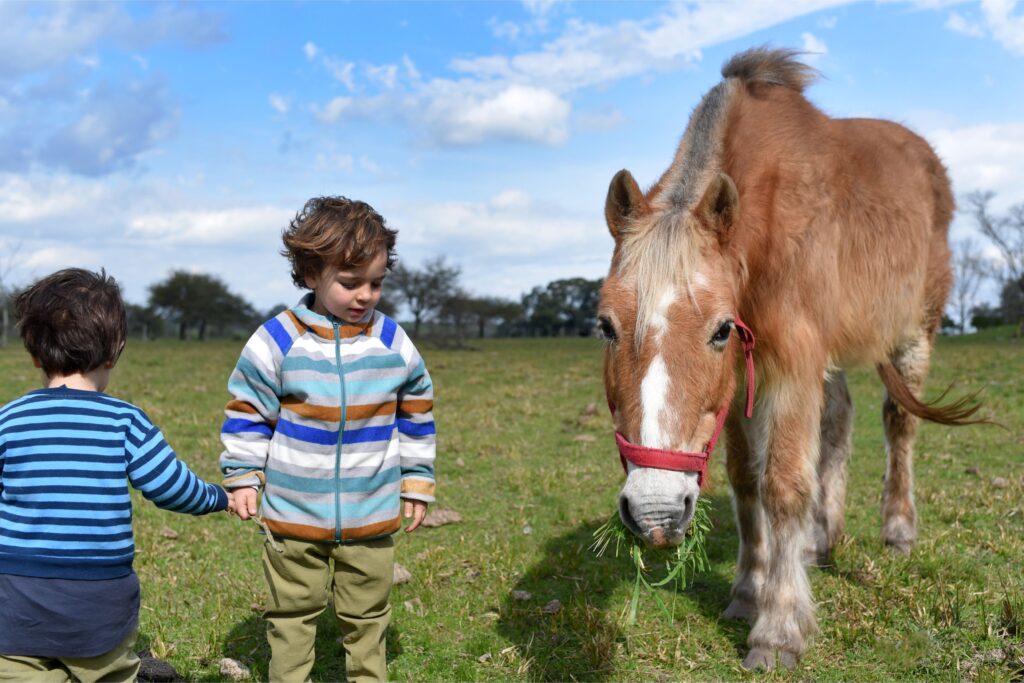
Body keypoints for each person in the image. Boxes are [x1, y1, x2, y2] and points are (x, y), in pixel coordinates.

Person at [220, 196, 436, 682]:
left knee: (368, 616)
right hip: (292, 516)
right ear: (311, 274)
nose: (366, 295)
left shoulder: (392, 342)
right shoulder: (276, 340)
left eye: (376, 283)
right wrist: (243, 477)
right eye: (350, 282)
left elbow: (417, 413)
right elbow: (249, 412)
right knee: (291, 616)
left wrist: (417, 480)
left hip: (371, 516)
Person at [0, 268, 231, 682]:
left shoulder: (9, 419)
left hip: (15, 602)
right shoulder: (124, 421)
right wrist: (220, 497)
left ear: (34, 354)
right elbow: (172, 488)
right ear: (115, 351)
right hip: (98, 605)